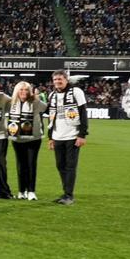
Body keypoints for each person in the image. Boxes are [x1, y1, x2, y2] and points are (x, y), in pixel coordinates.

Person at [47, 70, 88, 205]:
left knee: (70, 166)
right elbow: (50, 117)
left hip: (72, 136)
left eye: (60, 79)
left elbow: (83, 113)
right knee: (60, 166)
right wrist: (50, 137)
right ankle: (66, 193)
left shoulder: (76, 92)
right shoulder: (52, 95)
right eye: (55, 80)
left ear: (66, 79)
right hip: (57, 136)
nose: (57, 82)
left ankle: (69, 195)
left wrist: (82, 134)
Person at [8, 81, 48, 200]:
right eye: (21, 90)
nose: (23, 92)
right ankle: (21, 191)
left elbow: (45, 107)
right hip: (17, 138)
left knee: (31, 164)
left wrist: (38, 97)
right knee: (20, 165)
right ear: (17, 91)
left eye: (26, 90)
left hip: (33, 138)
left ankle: (31, 191)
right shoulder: (11, 102)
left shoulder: (34, 101)